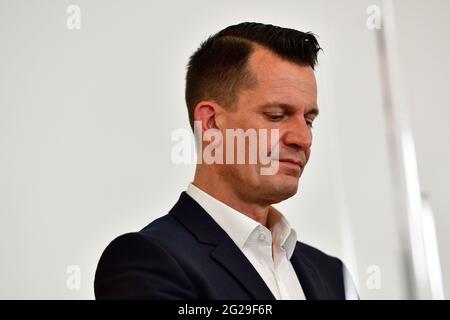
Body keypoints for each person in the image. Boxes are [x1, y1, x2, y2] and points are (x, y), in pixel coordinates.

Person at [94, 22, 358, 300]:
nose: (303, 138)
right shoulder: (147, 262)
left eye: (308, 120)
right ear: (211, 123)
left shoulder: (332, 275)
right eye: (276, 116)